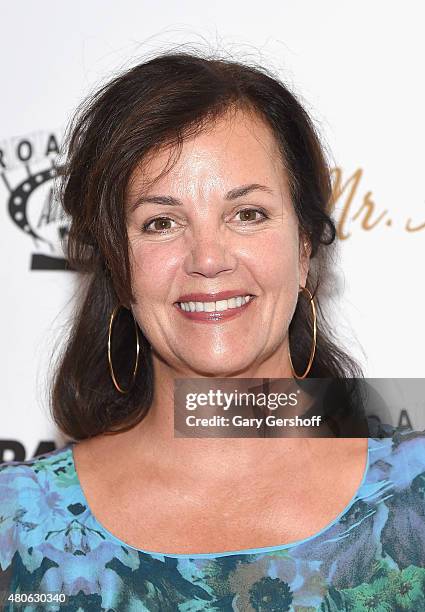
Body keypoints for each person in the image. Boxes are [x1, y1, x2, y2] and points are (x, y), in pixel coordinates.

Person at [1, 51, 424, 612]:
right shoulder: (16, 528)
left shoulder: (416, 500)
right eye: (161, 222)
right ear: (118, 268)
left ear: (303, 249)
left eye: (247, 213)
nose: (207, 259)